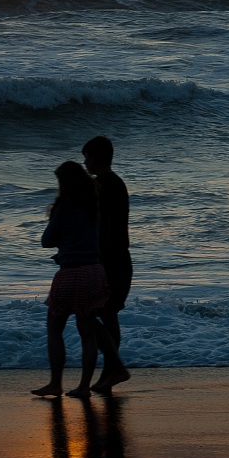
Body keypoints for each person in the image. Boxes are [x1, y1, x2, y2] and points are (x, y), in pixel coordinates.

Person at [32, 160, 126, 399]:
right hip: (94, 270)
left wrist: (63, 243)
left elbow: (46, 239)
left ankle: (55, 383)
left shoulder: (65, 206)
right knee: (87, 328)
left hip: (71, 271)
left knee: (55, 327)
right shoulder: (94, 205)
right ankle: (84, 386)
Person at [82, 135, 132, 392]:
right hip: (120, 258)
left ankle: (113, 369)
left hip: (110, 260)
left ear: (96, 157)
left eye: (86, 157)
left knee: (93, 316)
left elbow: (106, 227)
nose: (84, 162)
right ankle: (110, 373)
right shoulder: (116, 183)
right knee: (107, 315)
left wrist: (97, 259)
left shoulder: (102, 185)